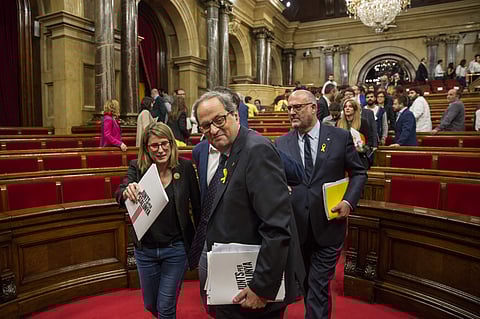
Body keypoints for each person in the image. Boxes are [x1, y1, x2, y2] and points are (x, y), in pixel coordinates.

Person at [190, 89, 305, 319]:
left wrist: (261, 287)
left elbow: (277, 225)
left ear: (236, 115)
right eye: (205, 126)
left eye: (219, 120)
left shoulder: (257, 150)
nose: (213, 130)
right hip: (235, 280)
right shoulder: (230, 152)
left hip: (255, 288)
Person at [275, 90, 367, 319]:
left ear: (314, 108)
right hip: (296, 229)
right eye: (289, 108)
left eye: (297, 107)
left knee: (317, 286)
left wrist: (348, 201)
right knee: (307, 283)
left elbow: (359, 172)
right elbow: (276, 179)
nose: (291, 112)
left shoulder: (339, 137)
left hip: (329, 226)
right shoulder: (281, 143)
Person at [116, 122, 201, 318]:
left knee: (166, 306)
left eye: (165, 144)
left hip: (176, 249)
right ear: (146, 147)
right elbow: (120, 192)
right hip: (145, 250)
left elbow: (197, 207)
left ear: (172, 144)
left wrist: (199, 245)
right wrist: (126, 192)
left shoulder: (185, 167)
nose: (161, 150)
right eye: (154, 145)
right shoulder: (137, 167)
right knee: (151, 304)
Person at [337, 98, 373, 169]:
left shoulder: (363, 122)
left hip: (359, 157)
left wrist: (363, 149)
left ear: (355, 109)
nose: (347, 108)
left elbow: (370, 140)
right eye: (345, 107)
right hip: (343, 157)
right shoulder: (339, 123)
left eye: (350, 106)